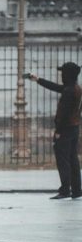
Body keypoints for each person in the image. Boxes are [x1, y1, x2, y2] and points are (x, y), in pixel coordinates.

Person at [28, 63, 82, 199]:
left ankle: (65, 190)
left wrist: (58, 131)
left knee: (63, 160)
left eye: (63, 72)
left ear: (67, 74)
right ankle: (76, 190)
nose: (61, 75)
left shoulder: (69, 91)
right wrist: (38, 79)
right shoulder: (75, 88)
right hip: (74, 128)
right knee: (73, 159)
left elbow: (63, 114)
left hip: (65, 129)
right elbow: (56, 87)